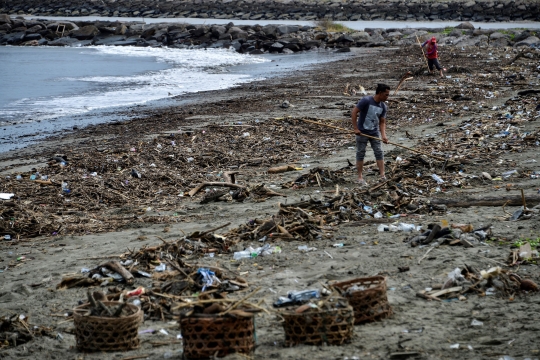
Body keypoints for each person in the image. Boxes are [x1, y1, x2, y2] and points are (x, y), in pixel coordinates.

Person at [351, 83, 390, 187]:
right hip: (362, 132)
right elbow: (354, 112)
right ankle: (360, 177)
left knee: (379, 152)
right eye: (386, 94)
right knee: (360, 153)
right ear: (380, 93)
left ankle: (382, 175)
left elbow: (382, 122)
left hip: (374, 132)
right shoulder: (366, 100)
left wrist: (384, 136)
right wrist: (355, 128)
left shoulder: (383, 106)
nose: (387, 97)